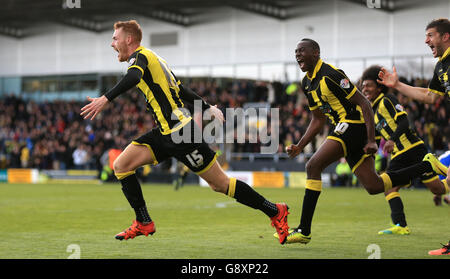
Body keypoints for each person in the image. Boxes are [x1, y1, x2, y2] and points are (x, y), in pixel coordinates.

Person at [80, 20, 290, 244]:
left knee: (220, 184)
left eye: (115, 38)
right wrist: (207, 106)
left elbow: (133, 77)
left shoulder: (138, 58)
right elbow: (180, 89)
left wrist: (105, 98)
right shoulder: (155, 59)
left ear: (128, 40)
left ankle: (275, 210)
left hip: (182, 134)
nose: (112, 43)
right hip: (165, 132)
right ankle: (143, 222)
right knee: (121, 166)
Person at [280, 38, 447, 245]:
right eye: (295, 51)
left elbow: (364, 103)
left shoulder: (331, 75)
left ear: (315, 53)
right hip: (343, 129)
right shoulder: (307, 83)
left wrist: (370, 139)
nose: (297, 55)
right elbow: (318, 119)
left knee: (313, 166)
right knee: (374, 186)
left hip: (353, 125)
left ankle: (304, 230)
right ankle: (427, 165)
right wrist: (300, 145)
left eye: (301, 51)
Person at [377, 18, 450, 255]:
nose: (426, 40)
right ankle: (436, 168)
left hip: (409, 147)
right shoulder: (441, 66)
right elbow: (430, 96)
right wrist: (397, 85)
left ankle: (436, 167)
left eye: (430, 35)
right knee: (441, 189)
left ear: (445, 36)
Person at [361, 65, 449, 235]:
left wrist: (392, 139)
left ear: (379, 87)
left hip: (409, 148)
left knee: (387, 186)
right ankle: (432, 165)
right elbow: (377, 136)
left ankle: (401, 225)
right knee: (438, 189)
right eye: (363, 86)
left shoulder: (387, 100)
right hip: (406, 152)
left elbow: (404, 121)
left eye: (369, 85)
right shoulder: (372, 110)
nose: (365, 89)